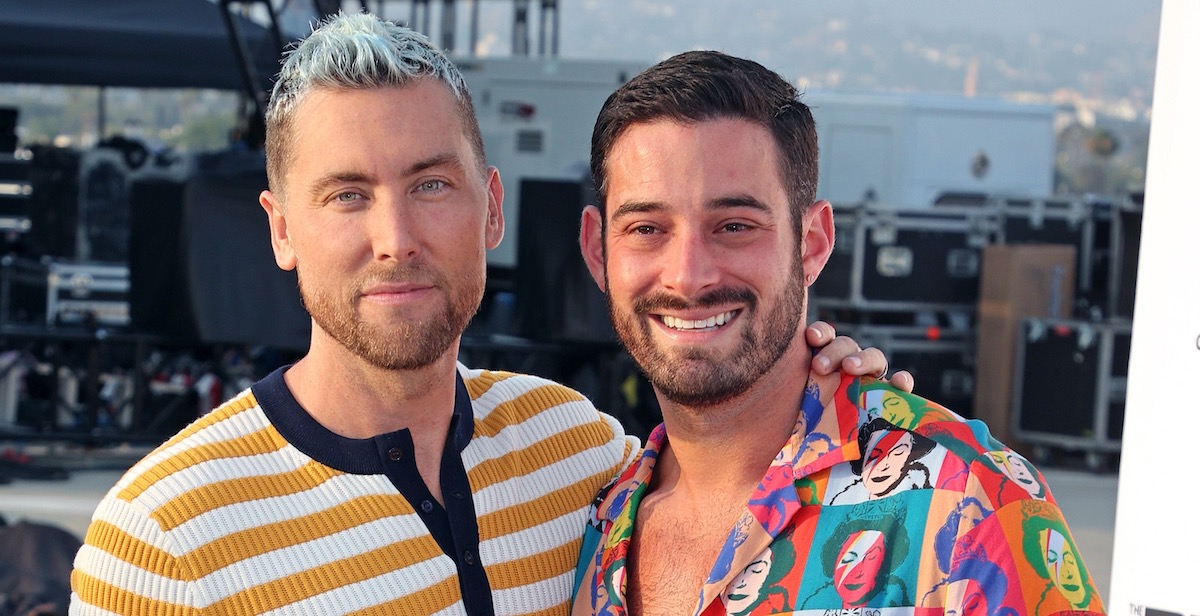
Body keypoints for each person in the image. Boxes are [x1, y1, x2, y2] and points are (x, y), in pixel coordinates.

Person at [69, 13, 896, 615]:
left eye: (431, 184)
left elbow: (736, 473)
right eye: (347, 195)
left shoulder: (575, 451)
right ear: (282, 229)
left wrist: (823, 381)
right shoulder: (163, 536)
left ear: (492, 207)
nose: (396, 239)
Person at [571, 50, 1105, 615]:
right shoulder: (593, 518)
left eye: (734, 226)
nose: (687, 275)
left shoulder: (966, 500)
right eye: (646, 228)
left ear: (813, 244)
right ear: (598, 251)